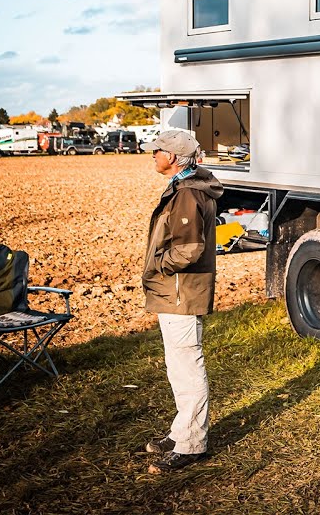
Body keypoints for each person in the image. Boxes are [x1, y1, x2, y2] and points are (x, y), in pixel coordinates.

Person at [139, 130, 223, 473]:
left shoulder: (187, 194)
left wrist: (159, 264)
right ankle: (182, 431)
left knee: (187, 366)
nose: (152, 155)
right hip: (174, 290)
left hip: (180, 290)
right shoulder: (185, 188)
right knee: (178, 365)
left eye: (157, 150)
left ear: (173, 157)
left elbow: (189, 249)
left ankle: (191, 445)